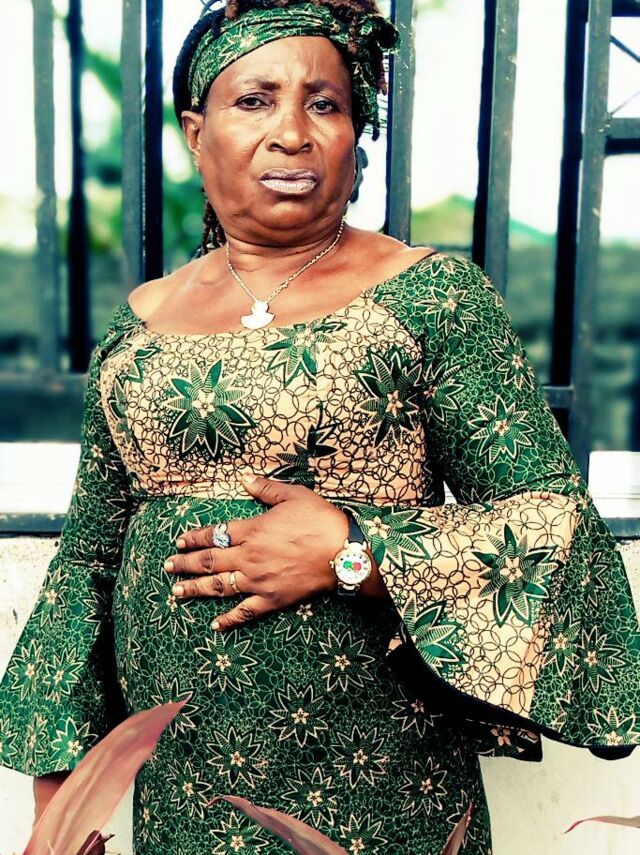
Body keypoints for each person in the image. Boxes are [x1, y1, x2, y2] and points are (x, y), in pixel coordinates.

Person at [1, 1, 639, 853]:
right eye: (254, 100)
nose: (293, 134)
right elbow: (87, 566)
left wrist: (354, 552)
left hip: (385, 791)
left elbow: (558, 528)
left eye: (325, 104)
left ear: (355, 135)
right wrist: (60, 806)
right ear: (197, 133)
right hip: (185, 793)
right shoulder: (140, 324)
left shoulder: (432, 298)